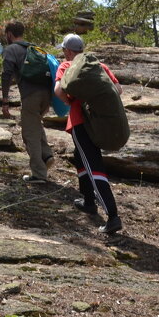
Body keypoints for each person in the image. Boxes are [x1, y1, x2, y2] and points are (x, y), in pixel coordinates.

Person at [54, 33, 124, 235]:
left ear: (68, 51)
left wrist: (71, 102)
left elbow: (58, 90)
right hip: (99, 122)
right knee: (80, 158)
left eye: (64, 50)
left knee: (93, 164)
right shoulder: (99, 66)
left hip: (80, 122)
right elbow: (118, 89)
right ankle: (88, 201)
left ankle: (112, 215)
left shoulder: (67, 66)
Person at [0, 21, 56, 183]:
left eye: (6, 35)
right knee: (35, 125)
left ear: (9, 34)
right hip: (46, 95)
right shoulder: (34, 48)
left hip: (31, 96)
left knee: (29, 133)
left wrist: (5, 100)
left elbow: (6, 74)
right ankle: (46, 156)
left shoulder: (11, 49)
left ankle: (39, 174)